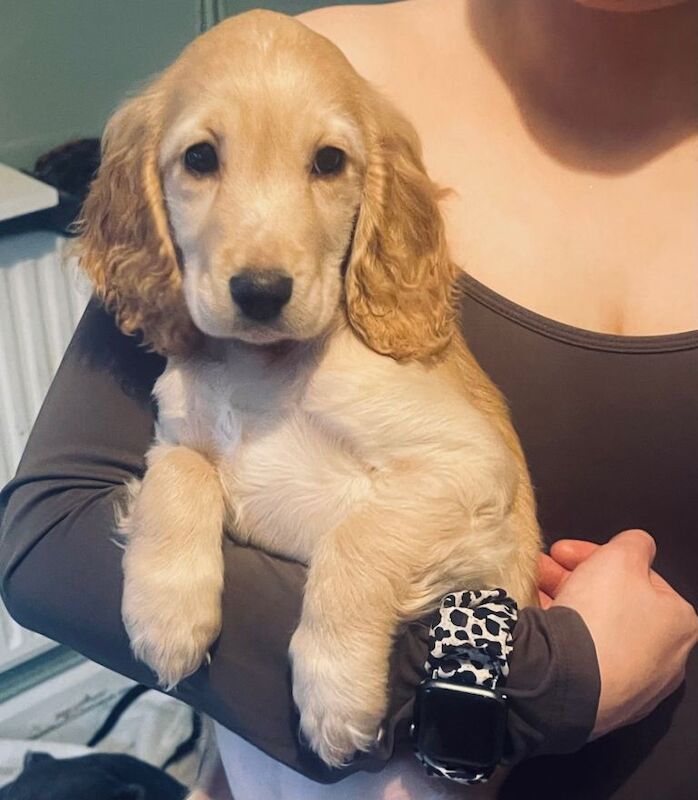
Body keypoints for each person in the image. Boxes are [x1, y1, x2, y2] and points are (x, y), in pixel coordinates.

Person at [0, 0, 696, 797]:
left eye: (327, 164)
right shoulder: (305, 69)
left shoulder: (372, 201)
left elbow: (463, 482)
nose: (263, 246)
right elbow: (49, 539)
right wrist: (542, 681)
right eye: (201, 161)